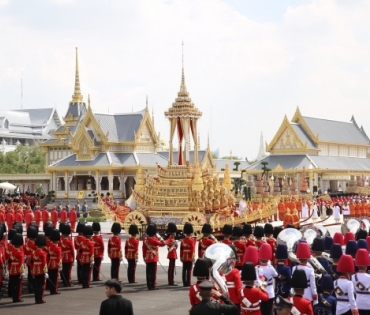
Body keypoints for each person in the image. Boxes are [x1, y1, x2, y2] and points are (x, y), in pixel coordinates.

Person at [31, 234, 48, 304]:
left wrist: (32, 270)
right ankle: (40, 299)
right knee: (41, 286)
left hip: (35, 270)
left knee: (36, 285)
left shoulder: (33, 253)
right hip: (41, 271)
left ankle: (36, 299)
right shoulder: (43, 253)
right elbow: (44, 263)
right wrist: (46, 272)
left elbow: (31, 262)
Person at [180, 222, 195, 287]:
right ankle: (188, 282)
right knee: (189, 270)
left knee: (184, 269)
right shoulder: (192, 240)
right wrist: (193, 257)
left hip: (184, 255)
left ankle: (184, 282)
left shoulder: (183, 240)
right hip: (189, 256)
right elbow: (192, 249)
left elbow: (181, 249)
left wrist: (181, 256)